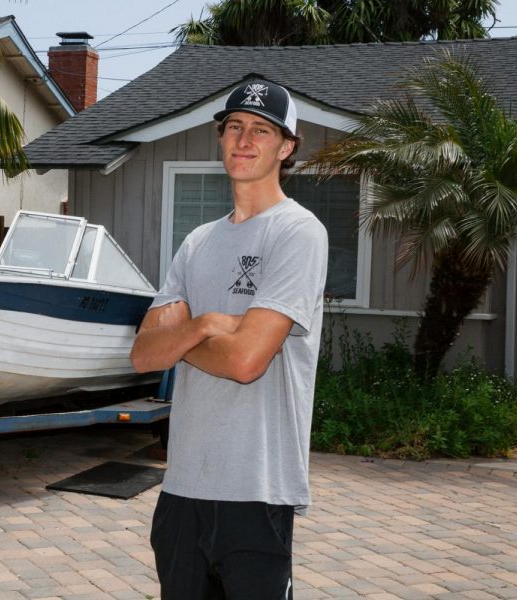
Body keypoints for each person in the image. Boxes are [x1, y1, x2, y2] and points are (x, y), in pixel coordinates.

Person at [130, 77, 328, 600]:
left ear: (285, 147)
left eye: (261, 130)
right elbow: (142, 353)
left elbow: (246, 361)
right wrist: (205, 324)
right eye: (234, 127)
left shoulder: (297, 232)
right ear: (220, 139)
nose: (244, 139)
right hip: (181, 493)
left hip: (256, 493)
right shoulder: (197, 242)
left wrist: (180, 337)